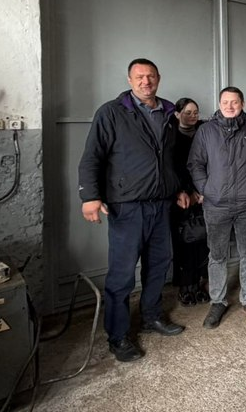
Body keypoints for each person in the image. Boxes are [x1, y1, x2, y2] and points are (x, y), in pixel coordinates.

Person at [78, 58, 188, 362]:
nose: (145, 81)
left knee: (158, 265)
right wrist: (90, 196)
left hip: (161, 204)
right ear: (129, 80)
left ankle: (152, 316)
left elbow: (171, 159)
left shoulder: (168, 113)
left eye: (150, 76)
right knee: (123, 273)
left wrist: (178, 187)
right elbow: (92, 157)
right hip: (127, 206)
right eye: (139, 77)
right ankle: (118, 335)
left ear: (158, 78)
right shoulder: (111, 112)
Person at [187, 86, 246, 328]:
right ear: (219, 104)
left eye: (234, 102)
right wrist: (206, 189)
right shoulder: (206, 131)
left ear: (242, 104)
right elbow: (195, 163)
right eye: (225, 102)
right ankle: (218, 301)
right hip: (216, 206)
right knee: (217, 256)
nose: (230, 106)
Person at [171, 97, 210, 306]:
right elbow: (170, 167)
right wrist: (184, 191)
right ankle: (185, 286)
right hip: (181, 197)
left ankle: (198, 285)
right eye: (188, 112)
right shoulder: (170, 135)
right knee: (184, 243)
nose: (193, 116)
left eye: (195, 112)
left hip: (203, 195)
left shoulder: (204, 132)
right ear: (177, 114)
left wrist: (202, 190)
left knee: (202, 242)